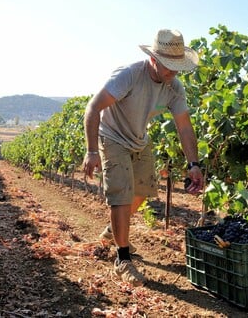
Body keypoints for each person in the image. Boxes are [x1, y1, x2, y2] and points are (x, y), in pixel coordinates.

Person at [83, 29, 204, 286]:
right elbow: (93, 108)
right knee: (121, 194)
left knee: (143, 191)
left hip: (140, 140)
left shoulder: (174, 87)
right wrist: (92, 150)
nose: (174, 71)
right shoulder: (129, 75)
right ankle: (123, 260)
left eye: (177, 66)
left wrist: (194, 164)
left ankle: (111, 232)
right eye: (169, 66)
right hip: (112, 136)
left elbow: (184, 126)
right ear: (153, 59)